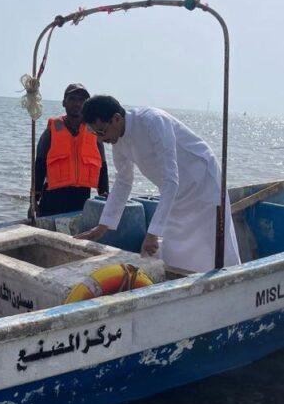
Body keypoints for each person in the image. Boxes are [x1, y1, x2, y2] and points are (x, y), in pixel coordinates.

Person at [76, 95, 241, 273]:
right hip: (174, 193)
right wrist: (103, 226)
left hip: (203, 182)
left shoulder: (153, 121)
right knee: (173, 252)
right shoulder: (118, 141)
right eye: (95, 134)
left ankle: (230, 280)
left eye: (101, 132)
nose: (101, 140)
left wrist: (153, 233)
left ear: (116, 119)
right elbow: (123, 181)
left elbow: (171, 179)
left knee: (213, 245)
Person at [34, 84, 109, 217]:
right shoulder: (52, 130)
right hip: (52, 199)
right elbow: (39, 164)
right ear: (64, 102)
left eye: (81, 100)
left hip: (81, 200)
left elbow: (102, 166)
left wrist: (104, 196)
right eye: (72, 99)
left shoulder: (94, 131)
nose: (77, 104)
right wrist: (34, 199)